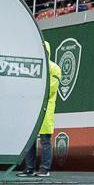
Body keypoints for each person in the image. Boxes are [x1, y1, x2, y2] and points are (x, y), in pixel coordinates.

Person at [23, 42, 62, 177]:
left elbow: (50, 90)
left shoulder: (54, 68)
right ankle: (29, 168)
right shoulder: (33, 67)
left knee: (45, 139)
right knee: (30, 139)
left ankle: (45, 169)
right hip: (32, 108)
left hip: (46, 108)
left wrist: (33, 93)